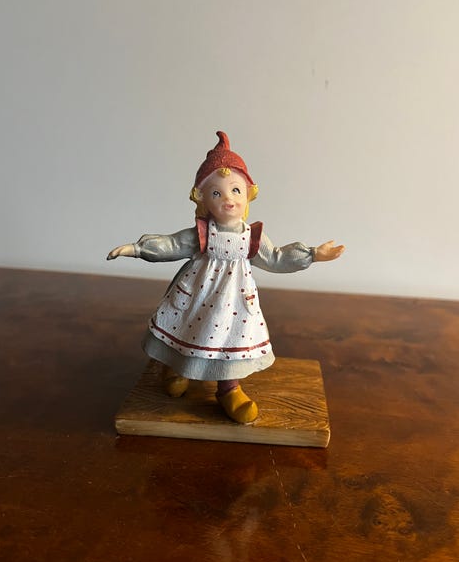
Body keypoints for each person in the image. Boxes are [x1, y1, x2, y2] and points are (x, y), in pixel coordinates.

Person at [107, 131, 344, 424]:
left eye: (235, 190)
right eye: (217, 193)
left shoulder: (252, 237)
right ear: (203, 199)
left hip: (234, 303)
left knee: (228, 342)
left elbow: (277, 258)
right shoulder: (201, 233)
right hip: (198, 295)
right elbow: (172, 245)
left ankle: (229, 388)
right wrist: (137, 249)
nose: (228, 199)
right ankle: (177, 368)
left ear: (248, 195)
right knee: (189, 330)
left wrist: (313, 254)